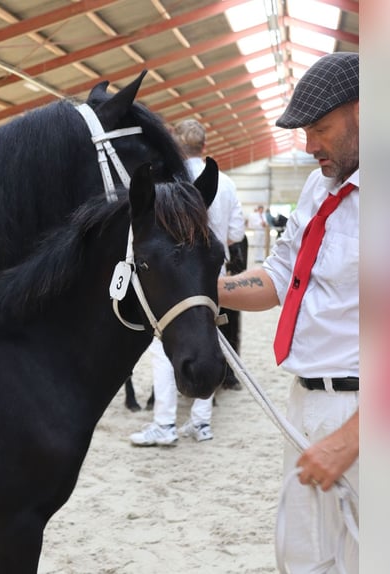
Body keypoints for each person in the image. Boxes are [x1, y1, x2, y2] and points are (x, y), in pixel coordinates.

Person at [217, 52, 359, 573]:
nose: (309, 144)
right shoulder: (317, 187)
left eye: (320, 127)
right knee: (302, 559)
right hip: (305, 404)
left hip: (367, 414)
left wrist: (351, 438)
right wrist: (206, 289)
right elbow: (280, 275)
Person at [129, 118, 245, 446]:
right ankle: (201, 423)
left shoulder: (169, 181)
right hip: (211, 278)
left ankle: (165, 424)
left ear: (176, 145)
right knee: (210, 339)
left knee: (163, 346)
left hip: (178, 281)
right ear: (204, 146)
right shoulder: (226, 183)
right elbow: (236, 234)